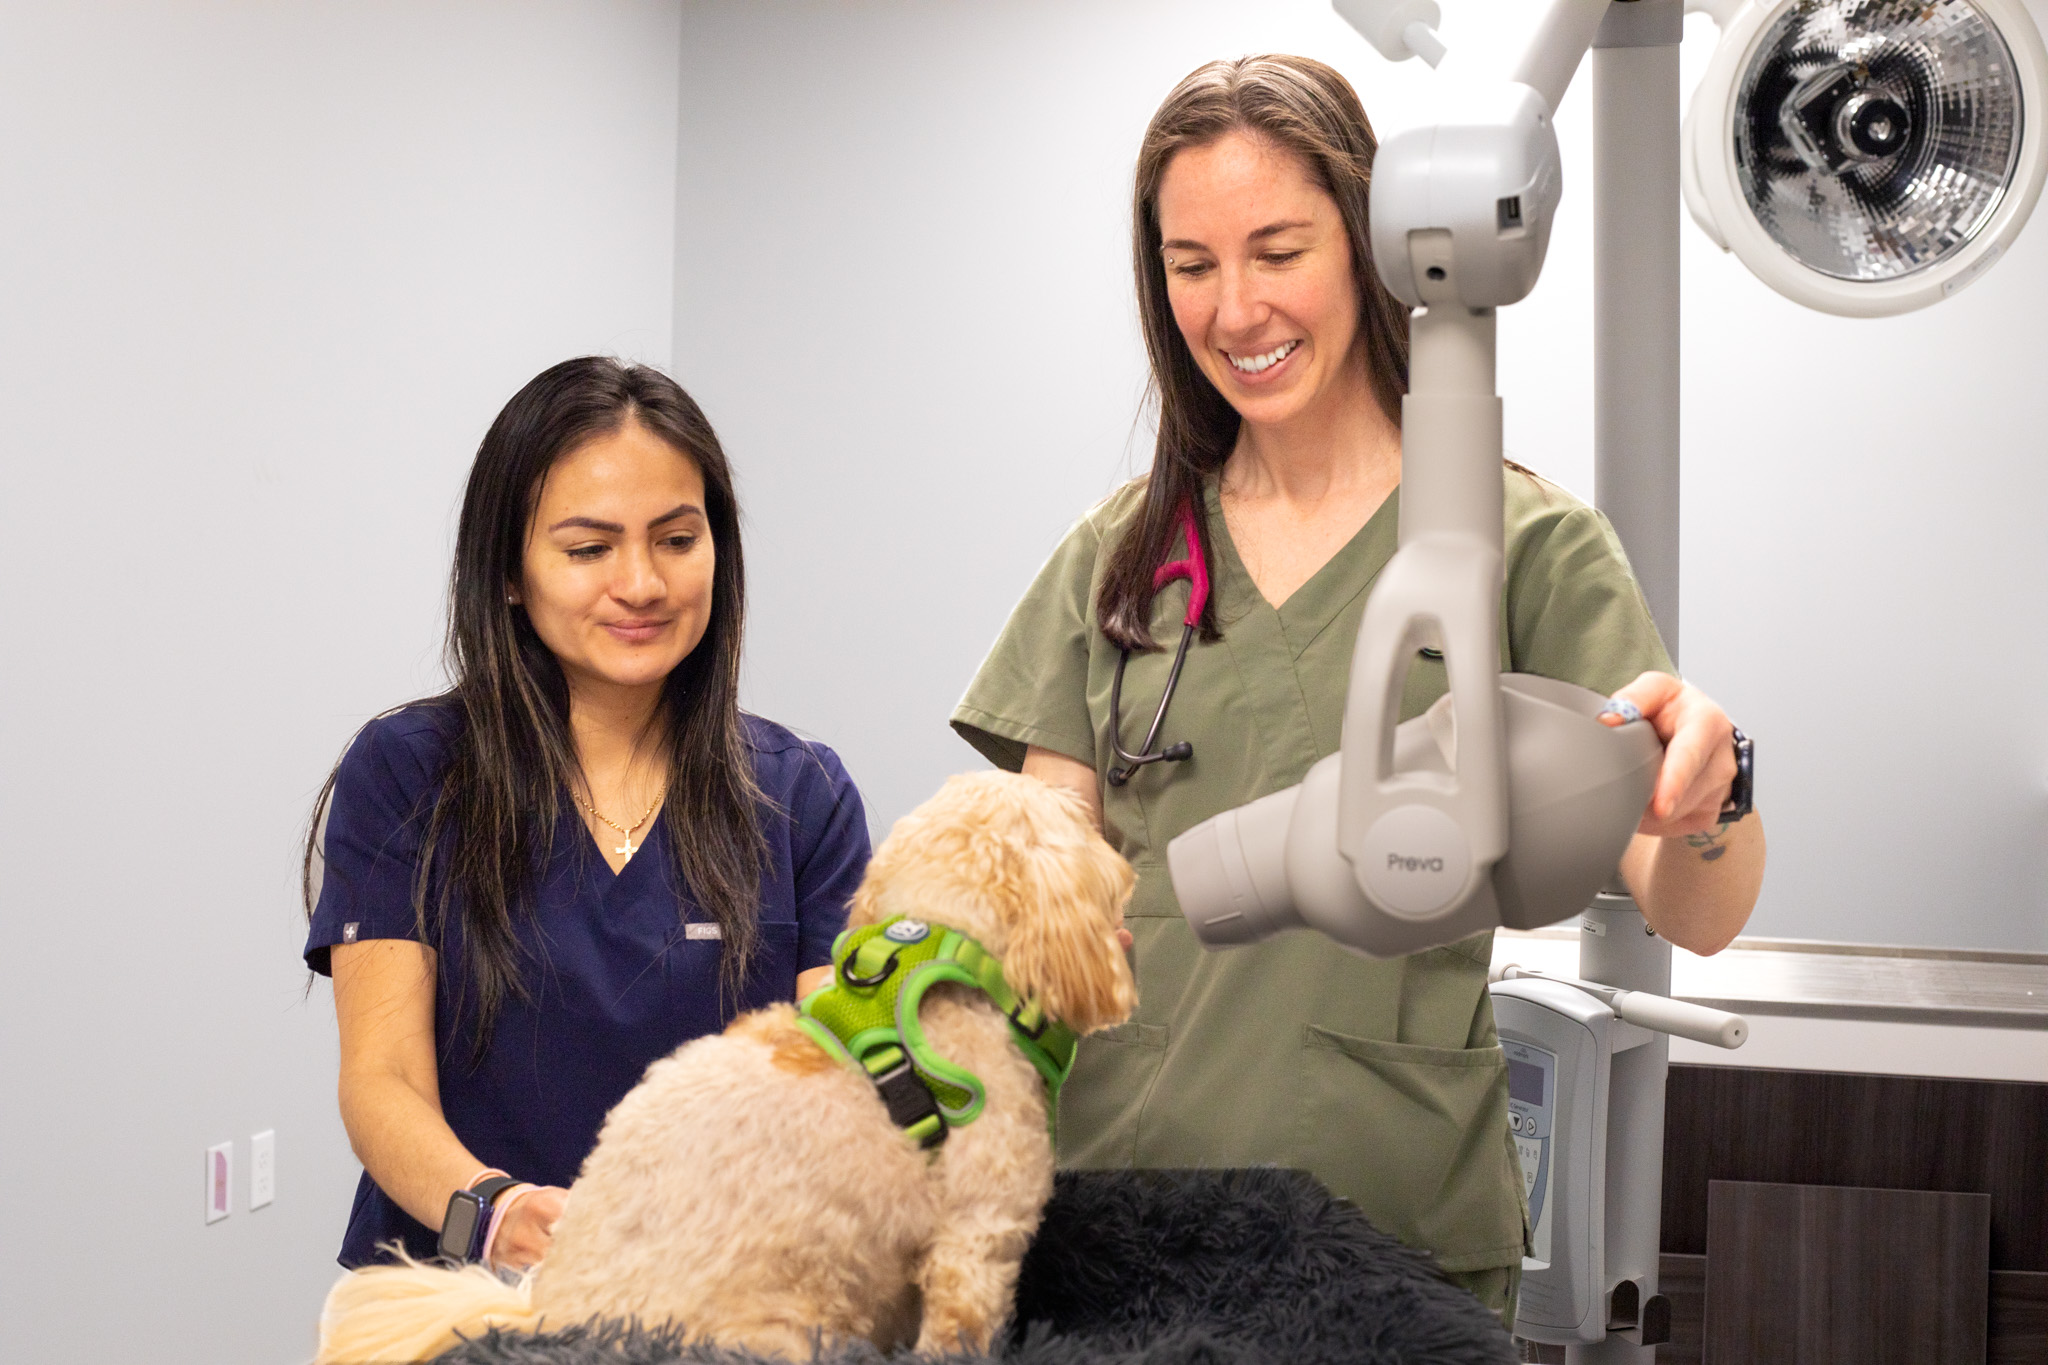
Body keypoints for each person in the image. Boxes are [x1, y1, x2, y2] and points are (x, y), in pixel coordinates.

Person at [950, 56, 1765, 1320]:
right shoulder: (1118, 558)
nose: (1233, 309)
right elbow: (1040, 891)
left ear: (1371, 246)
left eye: (1277, 250)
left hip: (1391, 1235)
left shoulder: (1518, 541)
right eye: (1190, 264)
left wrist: (1707, 791)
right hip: (1118, 1226)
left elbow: (1692, 908)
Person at [304, 357, 869, 1271]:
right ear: (512, 575)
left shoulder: (801, 794)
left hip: (718, 1293)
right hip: (460, 1293)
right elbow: (383, 1079)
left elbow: (838, 1068)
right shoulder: (408, 773)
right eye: (588, 548)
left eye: (677, 539)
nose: (641, 583)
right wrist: (494, 1214)